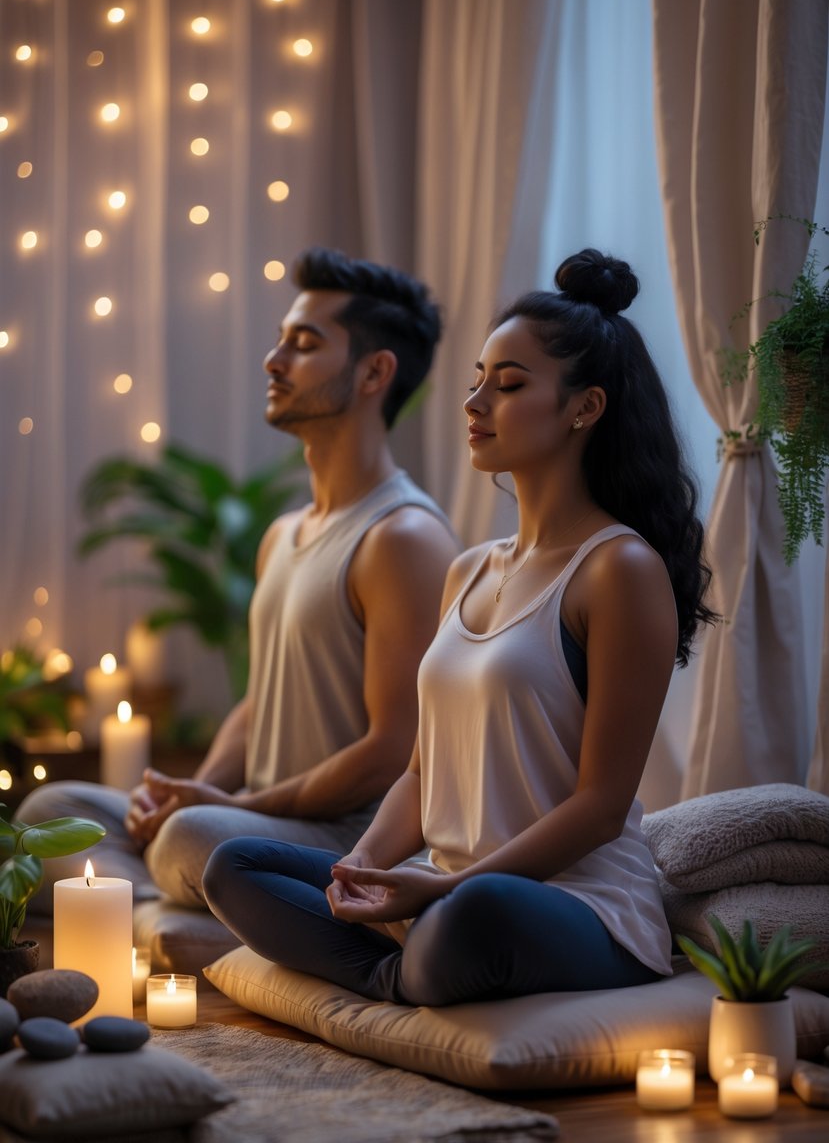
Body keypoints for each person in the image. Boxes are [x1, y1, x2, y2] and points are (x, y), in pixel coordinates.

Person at [203, 247, 717, 1006]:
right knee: (234, 865)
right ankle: (399, 974)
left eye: (507, 385)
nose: (475, 402)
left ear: (584, 408)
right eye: (477, 380)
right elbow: (420, 773)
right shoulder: (469, 569)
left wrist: (444, 889)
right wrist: (364, 869)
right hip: (442, 888)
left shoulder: (619, 569)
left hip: (569, 905)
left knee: (469, 915)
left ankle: (409, 962)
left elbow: (601, 807)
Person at [16, 247, 459, 915]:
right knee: (49, 811)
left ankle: (178, 907)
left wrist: (232, 808)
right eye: (281, 340)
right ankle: (187, 910)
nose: (274, 360)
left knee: (195, 838)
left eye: (304, 344)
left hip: (344, 836)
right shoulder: (283, 534)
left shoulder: (403, 538)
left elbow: (393, 750)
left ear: (375, 371)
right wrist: (185, 792)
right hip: (252, 818)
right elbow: (259, 705)